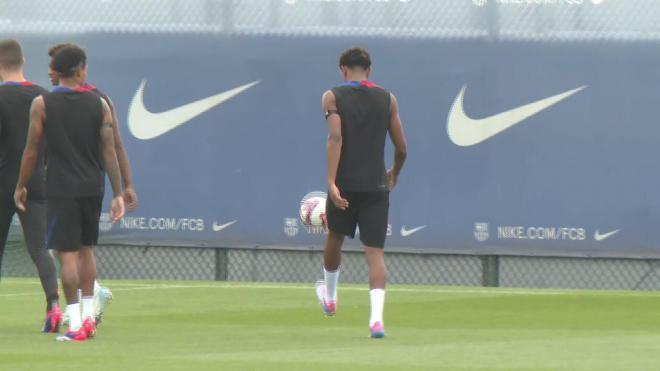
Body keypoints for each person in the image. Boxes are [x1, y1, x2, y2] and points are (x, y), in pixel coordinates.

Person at [15, 45, 125, 341]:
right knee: (86, 251)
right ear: (79, 70)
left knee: (67, 257)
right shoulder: (99, 104)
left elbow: (31, 152)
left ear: (59, 72)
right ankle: (88, 319)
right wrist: (118, 193)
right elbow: (109, 151)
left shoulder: (42, 104)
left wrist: (20, 185)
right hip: (93, 187)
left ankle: (75, 323)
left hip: (62, 188)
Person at [315, 47, 407, 338]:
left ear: (343, 69)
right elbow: (402, 148)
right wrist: (394, 172)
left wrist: (331, 183)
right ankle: (376, 321)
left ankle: (330, 298)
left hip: (344, 185)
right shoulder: (387, 99)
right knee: (375, 254)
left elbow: (335, 136)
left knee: (335, 237)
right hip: (376, 186)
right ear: (369, 70)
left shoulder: (332, 96)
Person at [47, 43, 138, 324]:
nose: (50, 72)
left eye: (54, 67)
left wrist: (126, 186)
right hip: (78, 185)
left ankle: (82, 307)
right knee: (67, 250)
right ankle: (85, 306)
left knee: (69, 251)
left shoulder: (98, 100)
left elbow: (115, 146)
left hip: (76, 186)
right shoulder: (54, 99)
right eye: (50, 67)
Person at [0, 39, 62, 332]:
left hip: (2, 185)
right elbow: (50, 145)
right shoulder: (43, 96)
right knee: (39, 248)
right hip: (36, 183)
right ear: (22, 61)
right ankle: (53, 305)